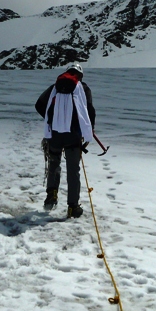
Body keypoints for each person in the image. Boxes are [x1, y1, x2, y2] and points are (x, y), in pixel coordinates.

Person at [35, 63, 96, 218]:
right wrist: (88, 131)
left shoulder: (55, 86)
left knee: (54, 163)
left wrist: (53, 120)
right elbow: (89, 110)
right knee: (73, 171)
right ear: (80, 75)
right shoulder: (82, 88)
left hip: (54, 134)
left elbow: (39, 104)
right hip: (73, 135)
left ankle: (51, 196)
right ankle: (73, 207)